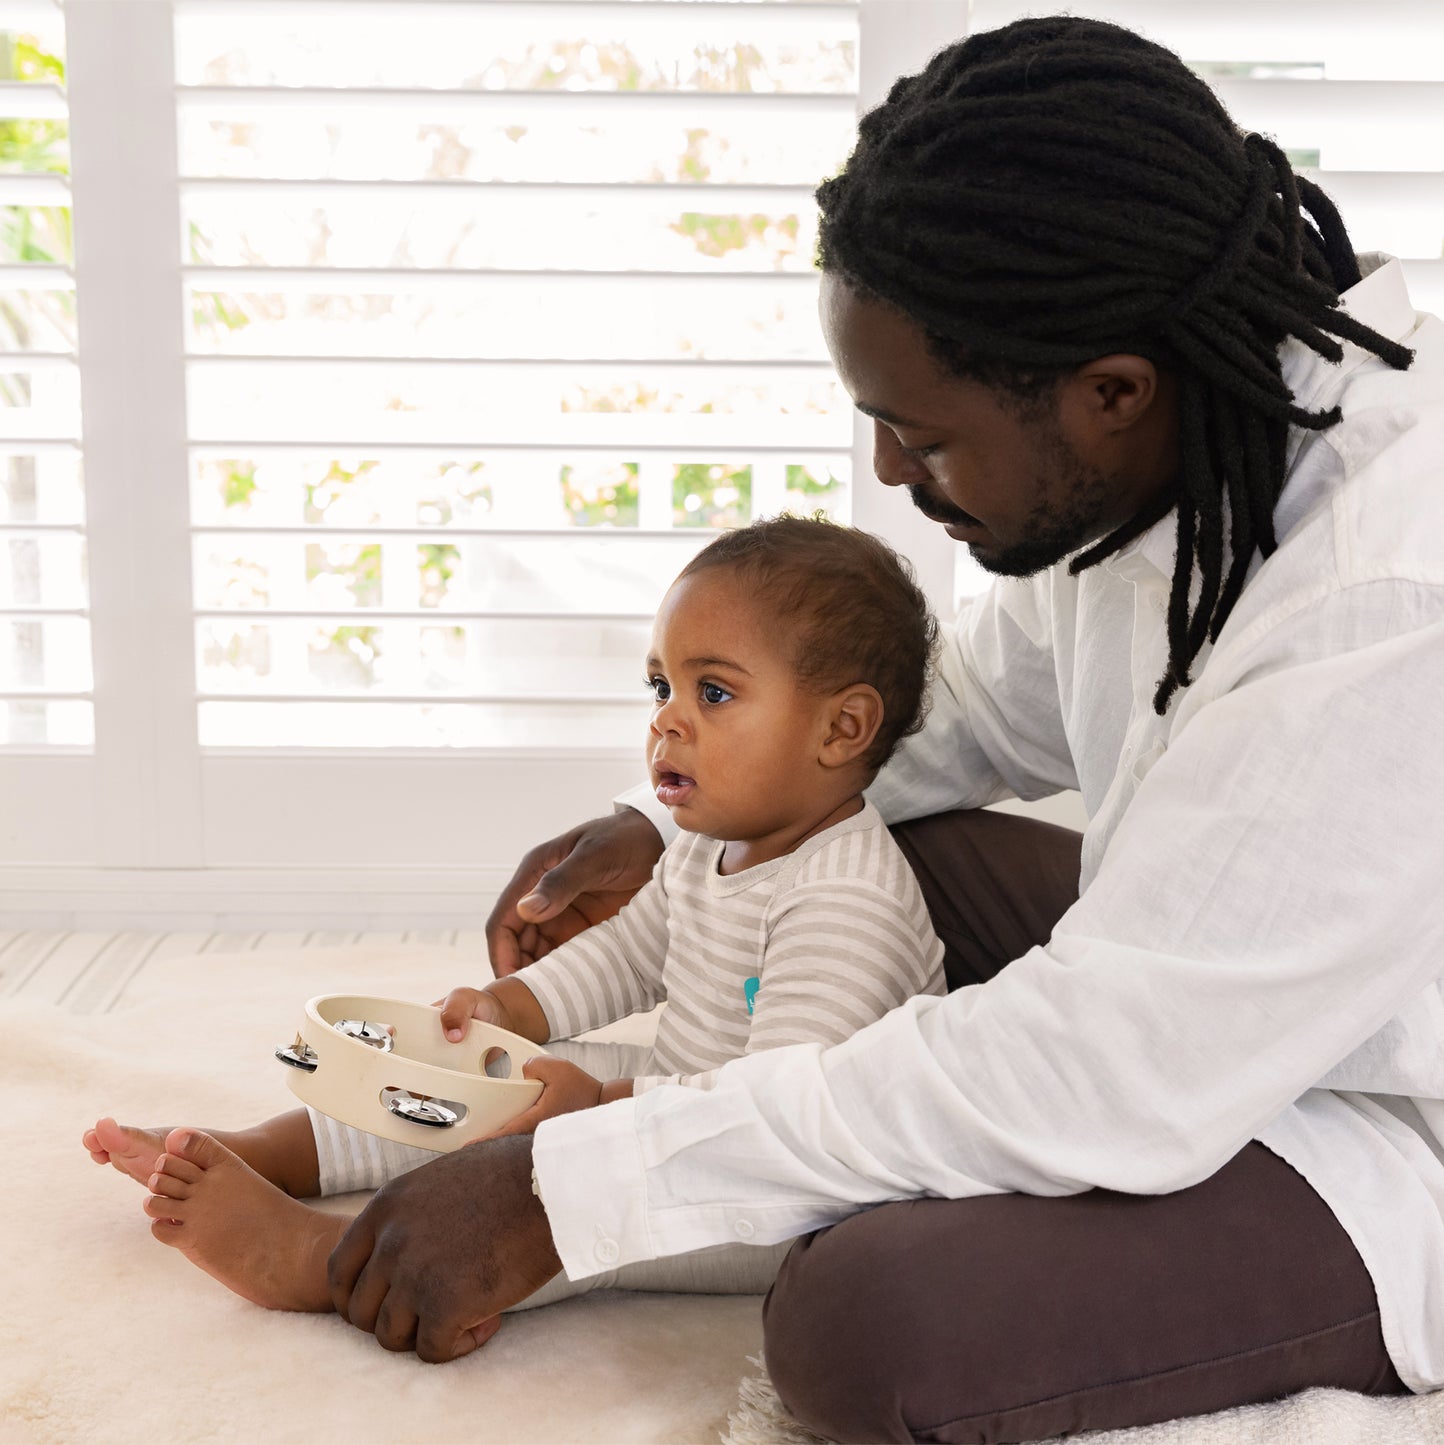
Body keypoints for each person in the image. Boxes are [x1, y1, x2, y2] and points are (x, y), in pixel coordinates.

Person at [310, 14, 1444, 1444]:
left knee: (872, 1322)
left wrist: (576, 1184)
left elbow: (1107, 1063)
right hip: (1222, 1004)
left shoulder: (1387, 597)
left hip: (1392, 1117)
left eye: (925, 431)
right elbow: (955, 714)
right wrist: (669, 822)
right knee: (897, 838)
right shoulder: (1190, 439)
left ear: (1110, 391)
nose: (889, 468)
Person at [84, 515, 948, 1317]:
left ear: (841, 727)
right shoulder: (707, 841)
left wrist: (601, 1109)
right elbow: (629, 956)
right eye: (659, 685)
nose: (666, 722)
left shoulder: (845, 900)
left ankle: (321, 1259)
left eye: (712, 693)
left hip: (774, 1191)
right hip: (678, 1092)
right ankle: (273, 1148)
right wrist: (510, 1014)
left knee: (570, 1192)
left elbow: (776, 1108)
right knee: (503, 1079)